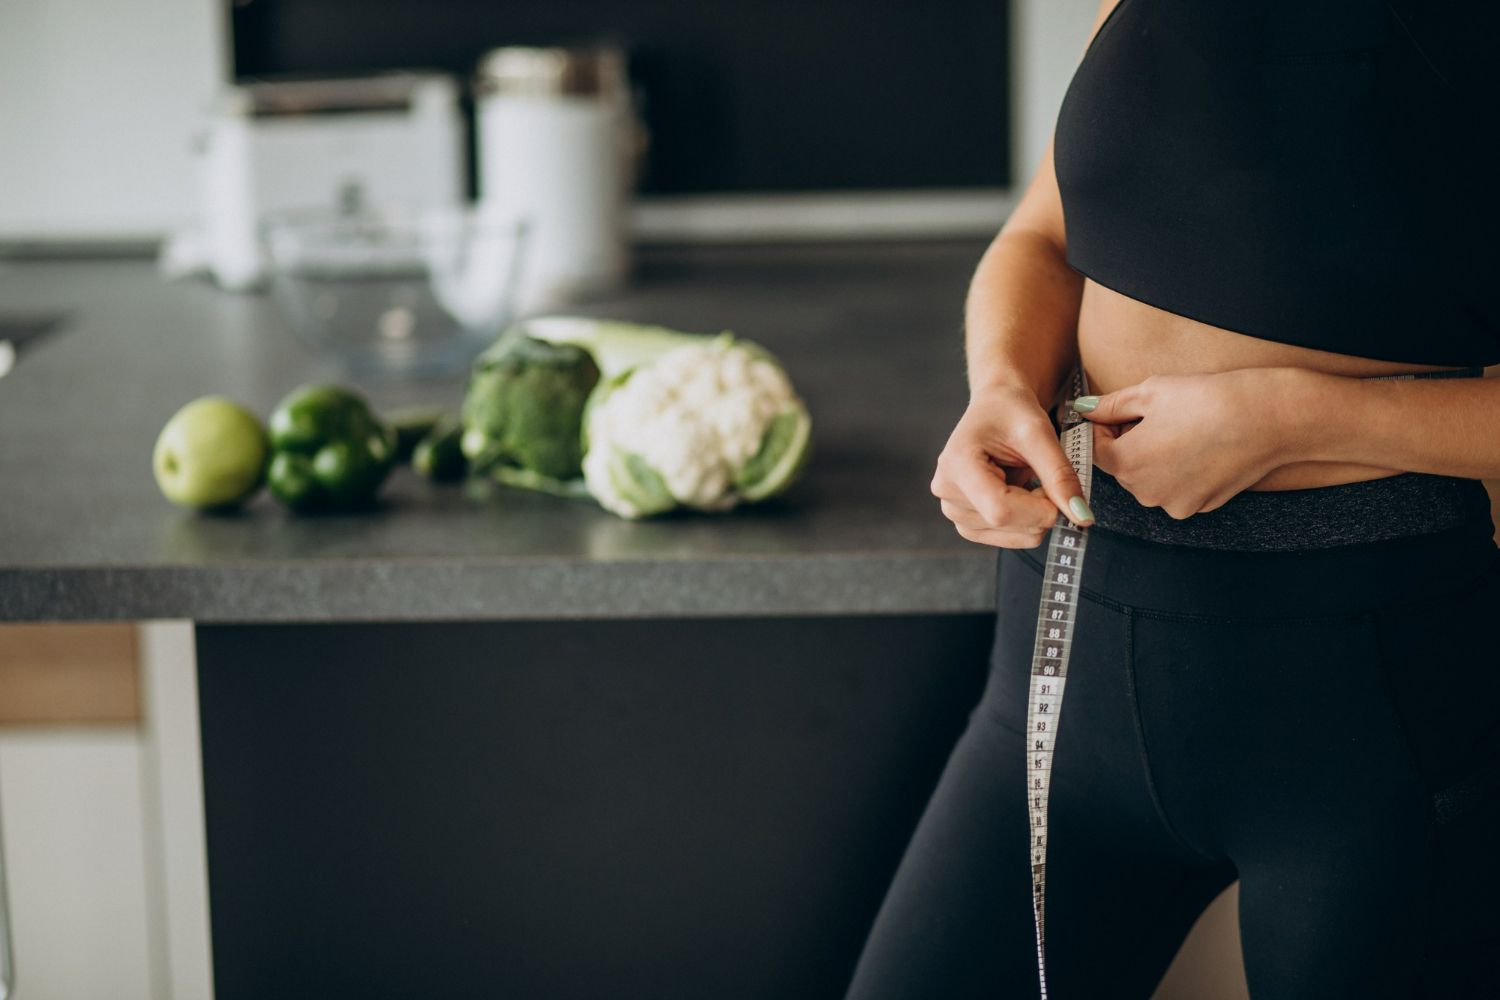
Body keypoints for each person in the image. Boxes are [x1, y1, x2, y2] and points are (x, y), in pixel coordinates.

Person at [842, 1, 1500, 997]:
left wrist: (1299, 417)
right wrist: (1001, 388)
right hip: (1063, 650)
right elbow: (1045, 235)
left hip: (1363, 701)